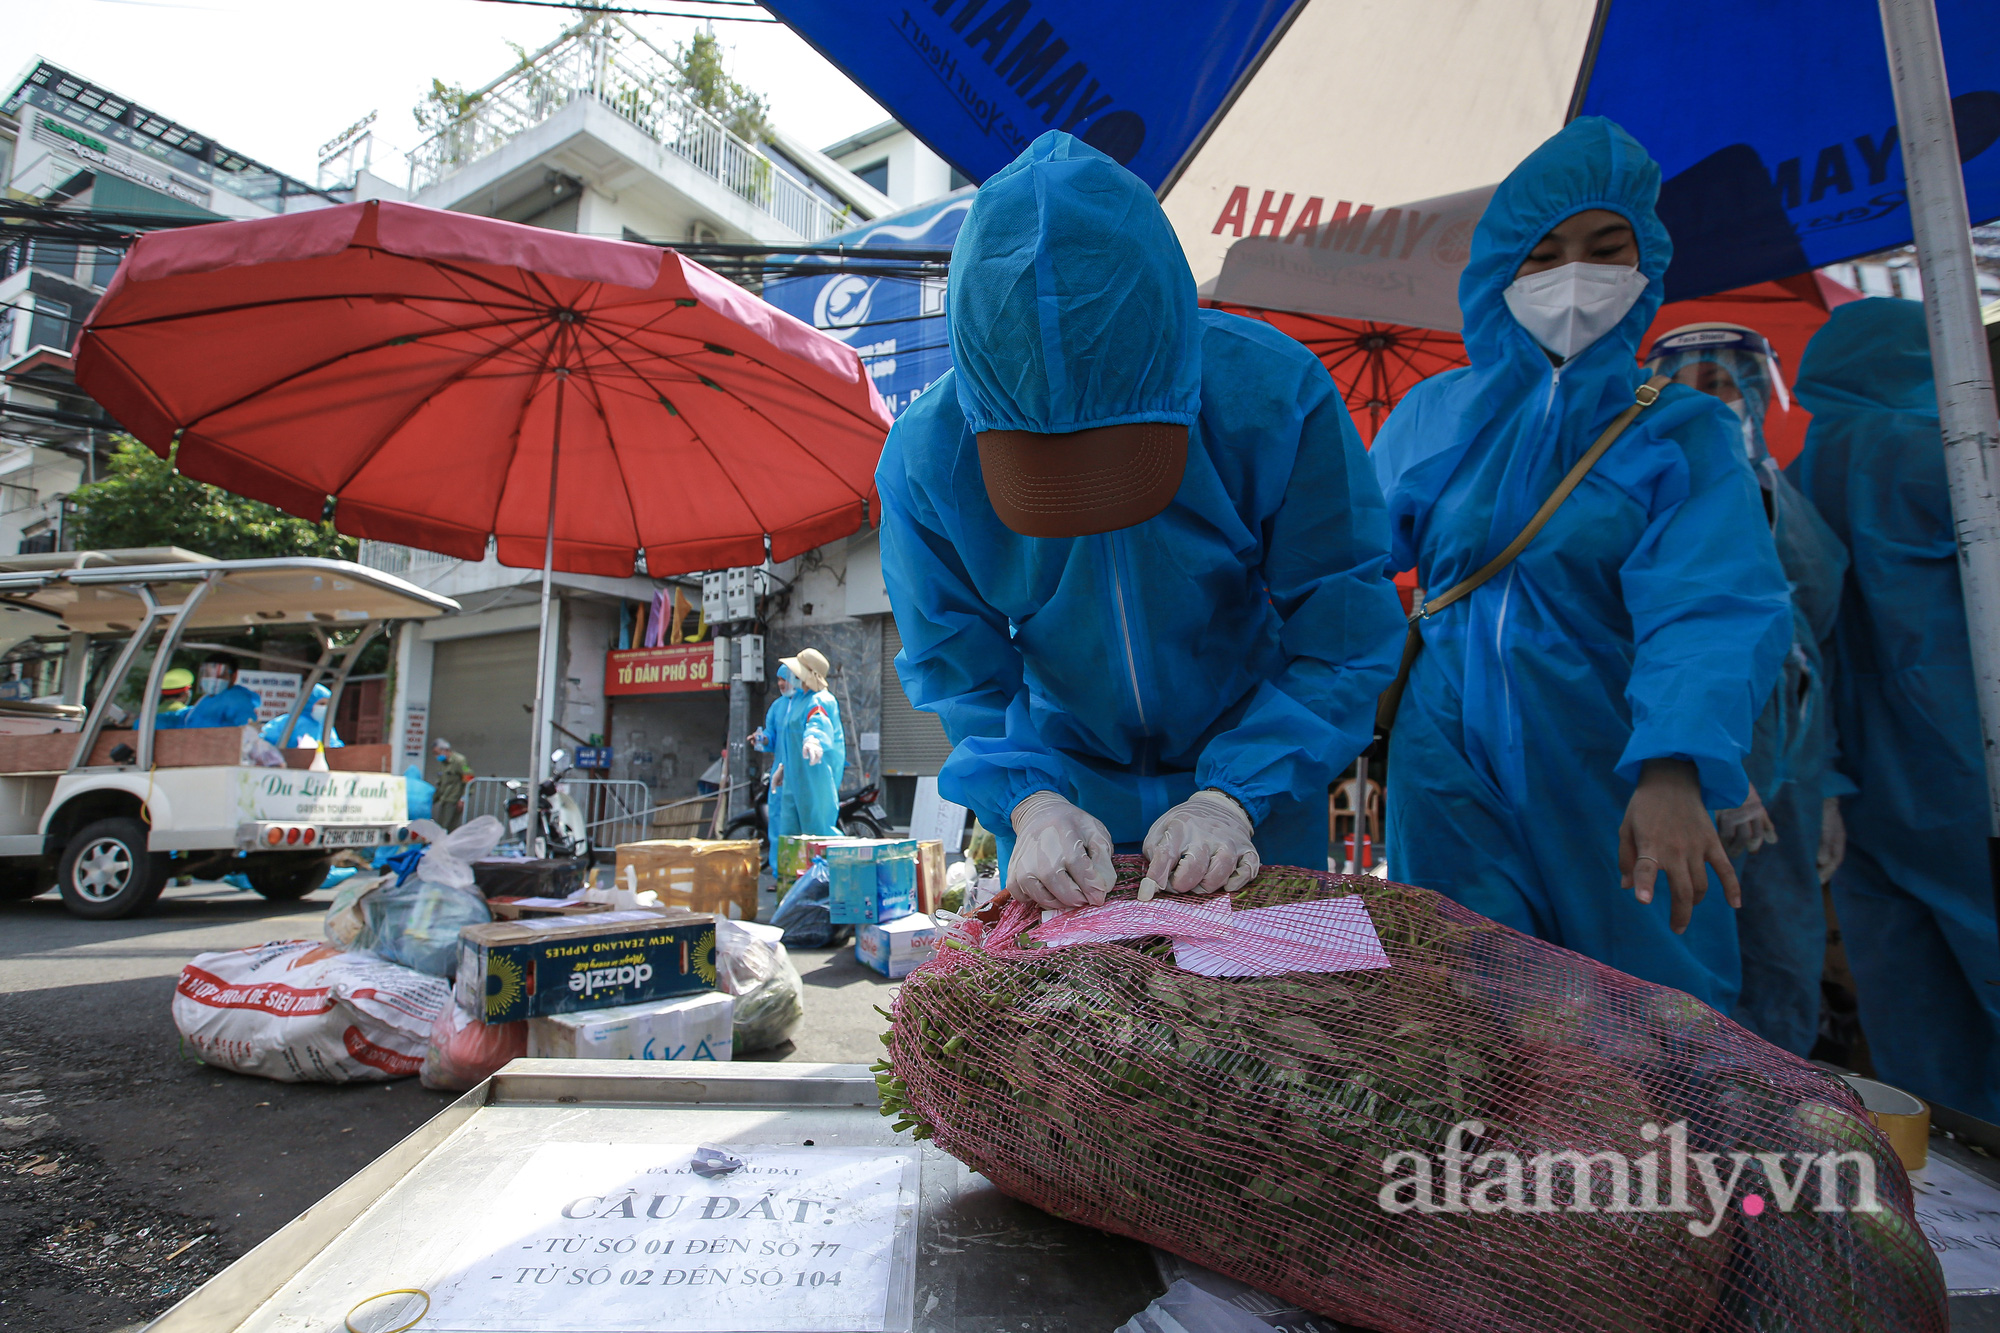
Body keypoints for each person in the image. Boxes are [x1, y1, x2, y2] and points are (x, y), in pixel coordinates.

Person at [878, 131, 1405, 908]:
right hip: (1070, 802)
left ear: (1172, 353)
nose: (1092, 502)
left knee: (1267, 1022)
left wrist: (1233, 795)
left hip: (1261, 796)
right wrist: (1031, 800)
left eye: (1119, 454)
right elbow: (960, 668)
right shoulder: (927, 459)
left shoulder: (1273, 395)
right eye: (1048, 471)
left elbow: (1341, 628)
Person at [1368, 117, 1792, 1010]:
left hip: (1612, 757)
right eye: (1546, 251)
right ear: (1499, 270)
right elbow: (1346, 567)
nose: (1575, 276)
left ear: (1647, 263)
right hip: (1445, 760)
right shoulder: (1432, 416)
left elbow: (1712, 607)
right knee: (1468, 1006)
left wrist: (1676, 767)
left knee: (1651, 1015)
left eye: (1607, 248)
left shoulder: (1680, 431)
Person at [1789, 297, 2000, 1120]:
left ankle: (1952, 1208)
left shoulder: (1801, 471)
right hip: (1964, 761)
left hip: (1859, 782)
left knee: (1912, 1009)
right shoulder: (1946, 453)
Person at [1641, 322, 1851, 1054]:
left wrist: (1820, 788)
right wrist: (1706, 761)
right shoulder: (1656, 486)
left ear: (1759, 392)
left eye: (1726, 383)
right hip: (1681, 775)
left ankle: (1775, 1118)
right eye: (1689, 383)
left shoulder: (1784, 498)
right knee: (1685, 959)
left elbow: (1807, 653)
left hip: (1786, 766)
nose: (1710, 398)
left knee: (1781, 946)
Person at [777, 649, 844, 839]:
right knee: (790, 833)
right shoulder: (798, 698)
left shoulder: (821, 699)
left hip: (814, 774)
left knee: (817, 829)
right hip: (794, 775)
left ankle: (823, 868)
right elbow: (793, 737)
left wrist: (814, 739)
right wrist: (783, 766)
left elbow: (818, 720)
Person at [752, 663, 800, 875]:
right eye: (779, 680)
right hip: (780, 776)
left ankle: (802, 871)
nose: (781, 684)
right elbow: (770, 739)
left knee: (801, 824)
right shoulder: (777, 707)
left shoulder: (806, 703)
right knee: (778, 825)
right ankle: (779, 873)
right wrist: (760, 738)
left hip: (802, 775)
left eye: (785, 679)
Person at [161, 653, 263, 730]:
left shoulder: (236, 699)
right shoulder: (208, 699)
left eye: (219, 675)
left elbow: (247, 731)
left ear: (234, 676)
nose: (212, 679)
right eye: (208, 674)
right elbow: (184, 719)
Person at [263, 682, 342, 749]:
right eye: (321, 704)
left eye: (327, 704)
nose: (325, 708)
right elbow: (266, 741)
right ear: (308, 703)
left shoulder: (326, 727)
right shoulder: (287, 721)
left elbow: (335, 748)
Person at [431, 737, 475, 831]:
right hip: (444, 799)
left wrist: (463, 799)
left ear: (445, 750)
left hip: (454, 800)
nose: (436, 756)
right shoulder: (442, 763)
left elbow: (469, 779)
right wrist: (432, 800)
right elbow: (441, 783)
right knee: (441, 826)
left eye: (437, 753)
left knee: (448, 827)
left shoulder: (460, 761)